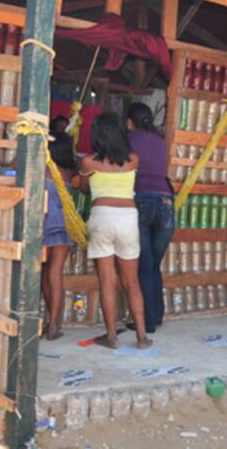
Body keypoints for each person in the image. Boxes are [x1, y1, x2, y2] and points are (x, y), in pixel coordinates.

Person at [79, 112, 152, 349]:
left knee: (107, 281)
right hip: (128, 219)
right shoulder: (134, 159)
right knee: (132, 281)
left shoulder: (89, 162)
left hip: (102, 217)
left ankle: (111, 336)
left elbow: (83, 190)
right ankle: (142, 336)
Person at [126, 103, 174, 333]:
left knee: (144, 265)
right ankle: (157, 314)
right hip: (165, 203)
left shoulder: (128, 139)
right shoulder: (160, 140)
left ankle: (147, 321)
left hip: (141, 201)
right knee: (154, 264)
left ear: (129, 122)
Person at [40, 131, 77, 341]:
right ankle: (54, 322)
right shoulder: (69, 174)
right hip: (63, 227)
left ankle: (50, 321)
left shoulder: (44, 170)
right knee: (55, 273)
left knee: (44, 273)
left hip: (44, 226)